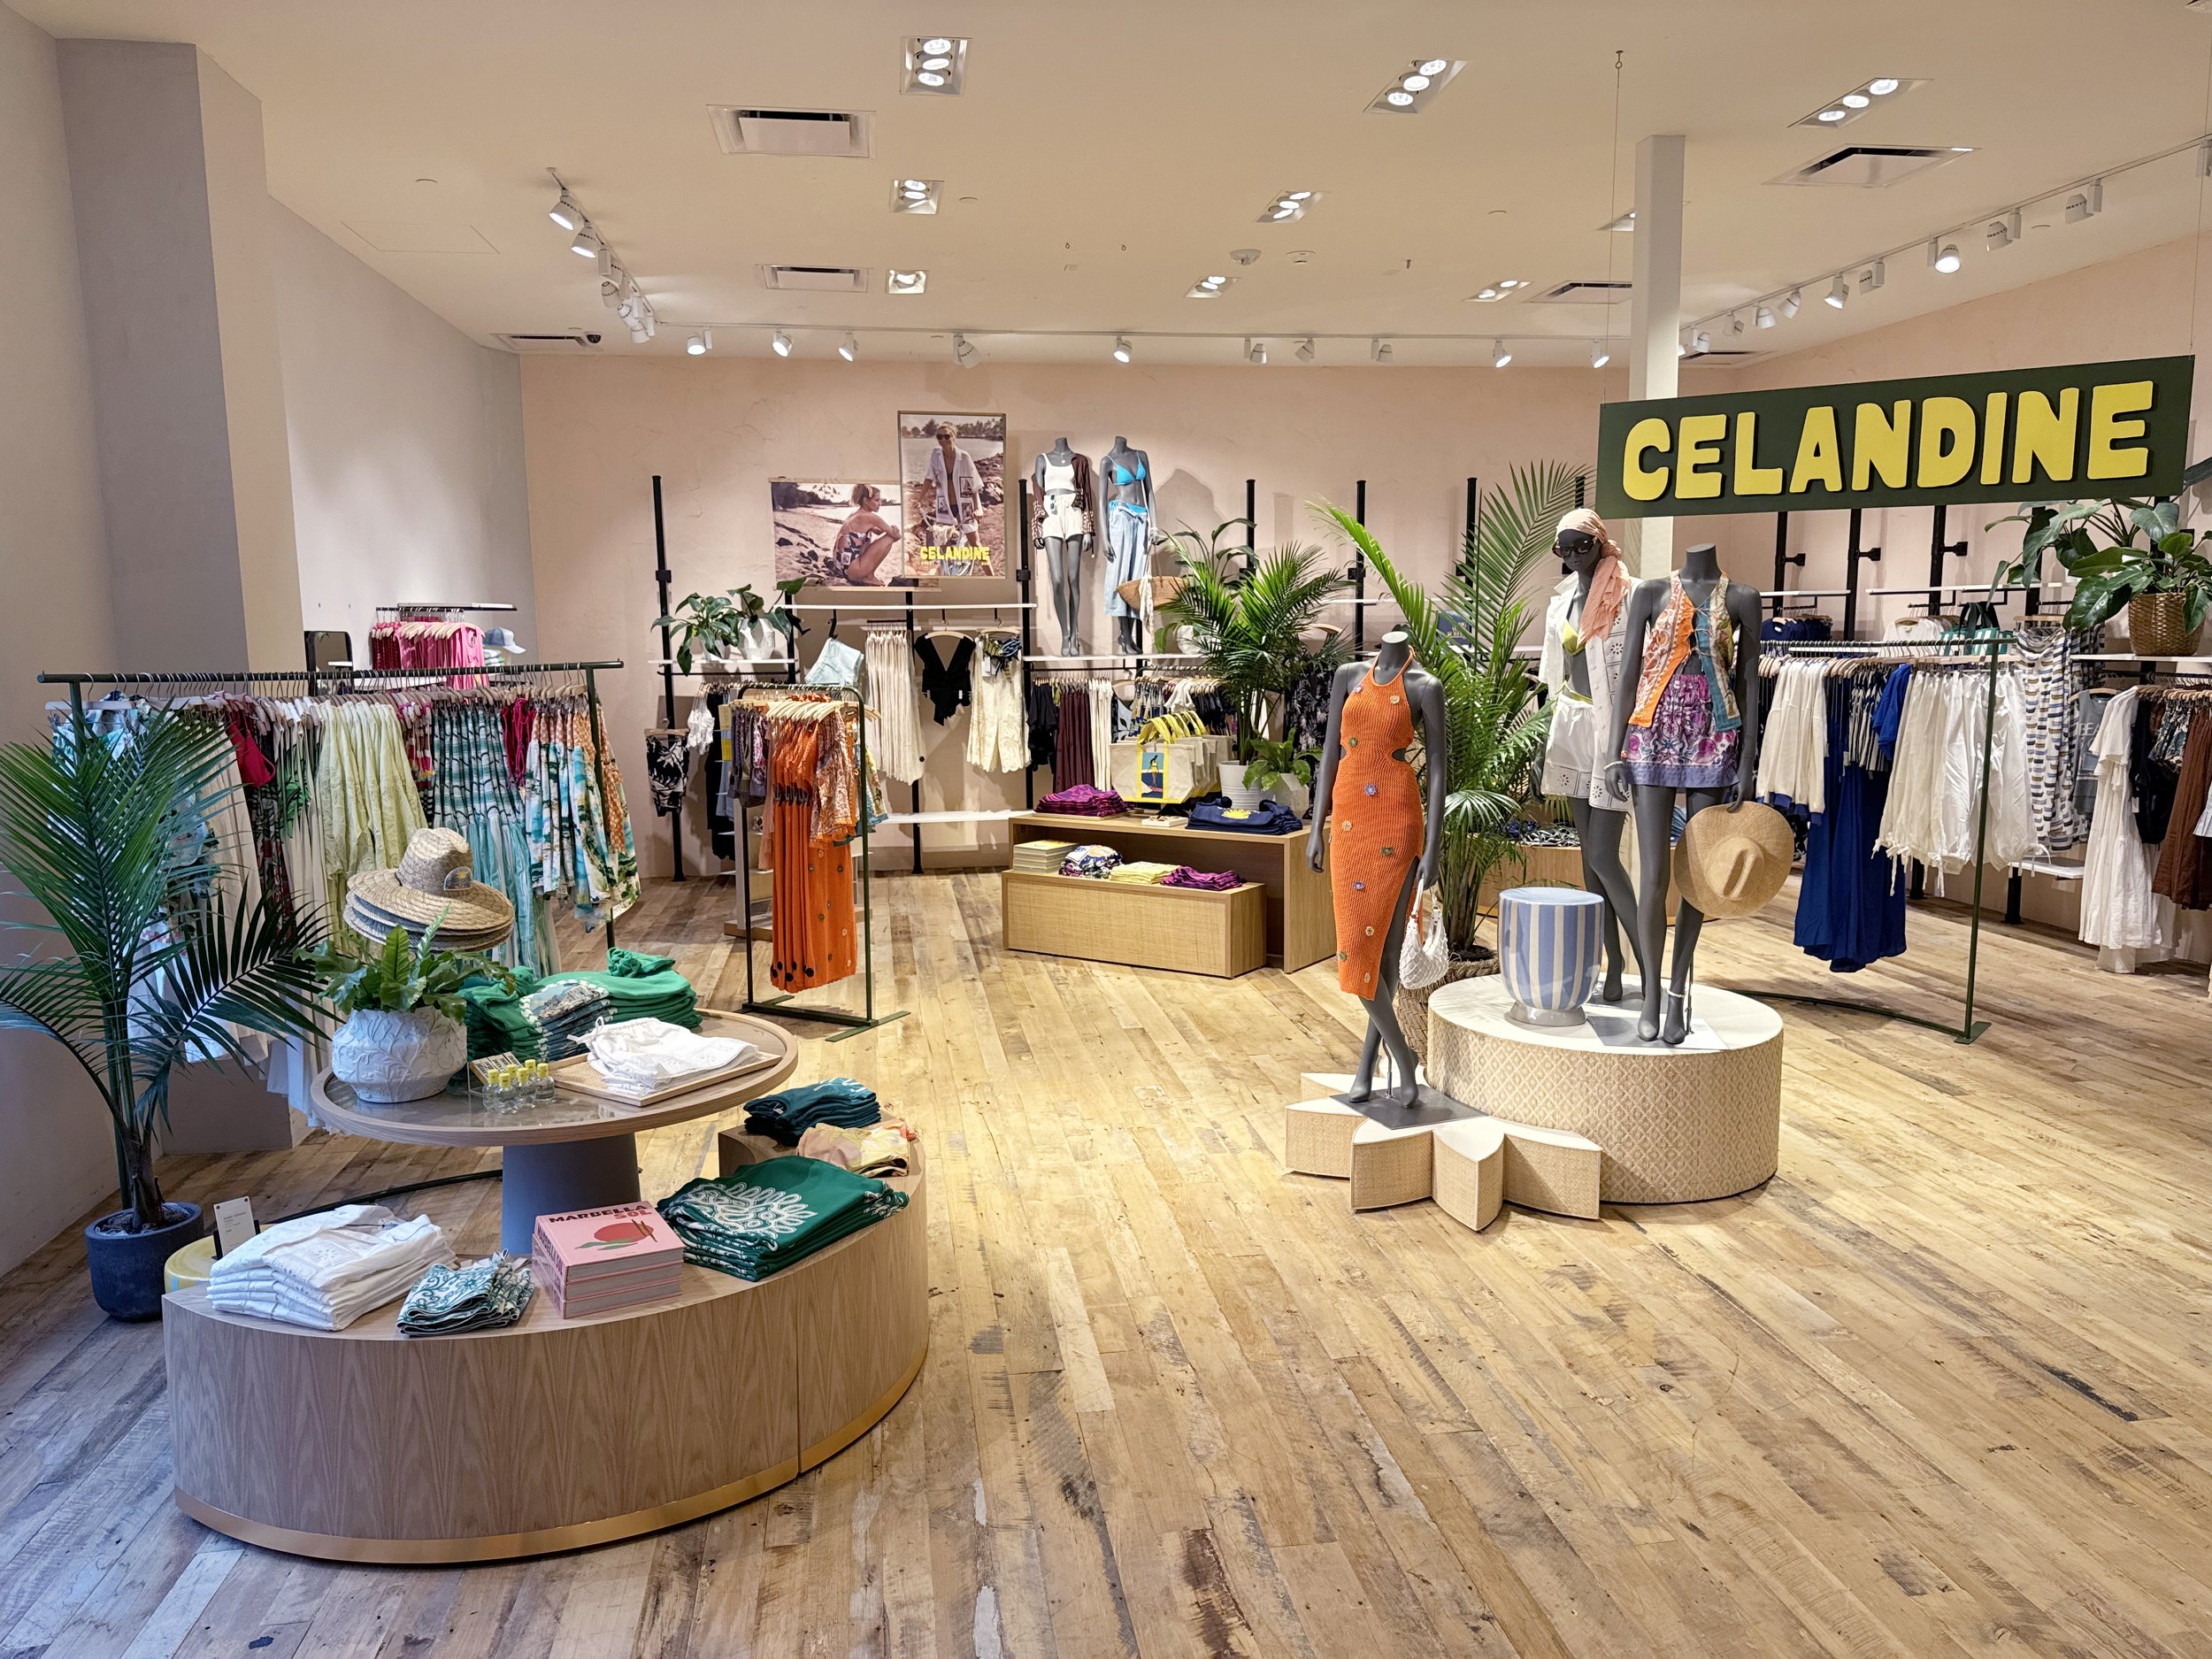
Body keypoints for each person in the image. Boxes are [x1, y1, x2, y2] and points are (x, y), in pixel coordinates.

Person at [923, 425, 985, 572]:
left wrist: (978, 509)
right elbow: (928, 478)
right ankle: (947, 578)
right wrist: (919, 499)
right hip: (945, 508)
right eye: (939, 437)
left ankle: (994, 578)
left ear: (953, 437)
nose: (943, 440)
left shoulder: (965, 457)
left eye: (946, 436)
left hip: (965, 508)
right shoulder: (936, 455)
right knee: (942, 546)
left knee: (976, 545)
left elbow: (974, 486)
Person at [830, 484, 900, 585]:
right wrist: (893, 530)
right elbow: (897, 537)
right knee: (889, 538)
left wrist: (890, 528)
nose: (880, 504)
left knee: (886, 536)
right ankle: (869, 576)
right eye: (876, 500)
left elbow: (878, 531)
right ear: (866, 500)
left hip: (842, 568)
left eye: (880, 500)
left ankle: (868, 575)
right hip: (853, 570)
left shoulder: (856, 514)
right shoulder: (870, 517)